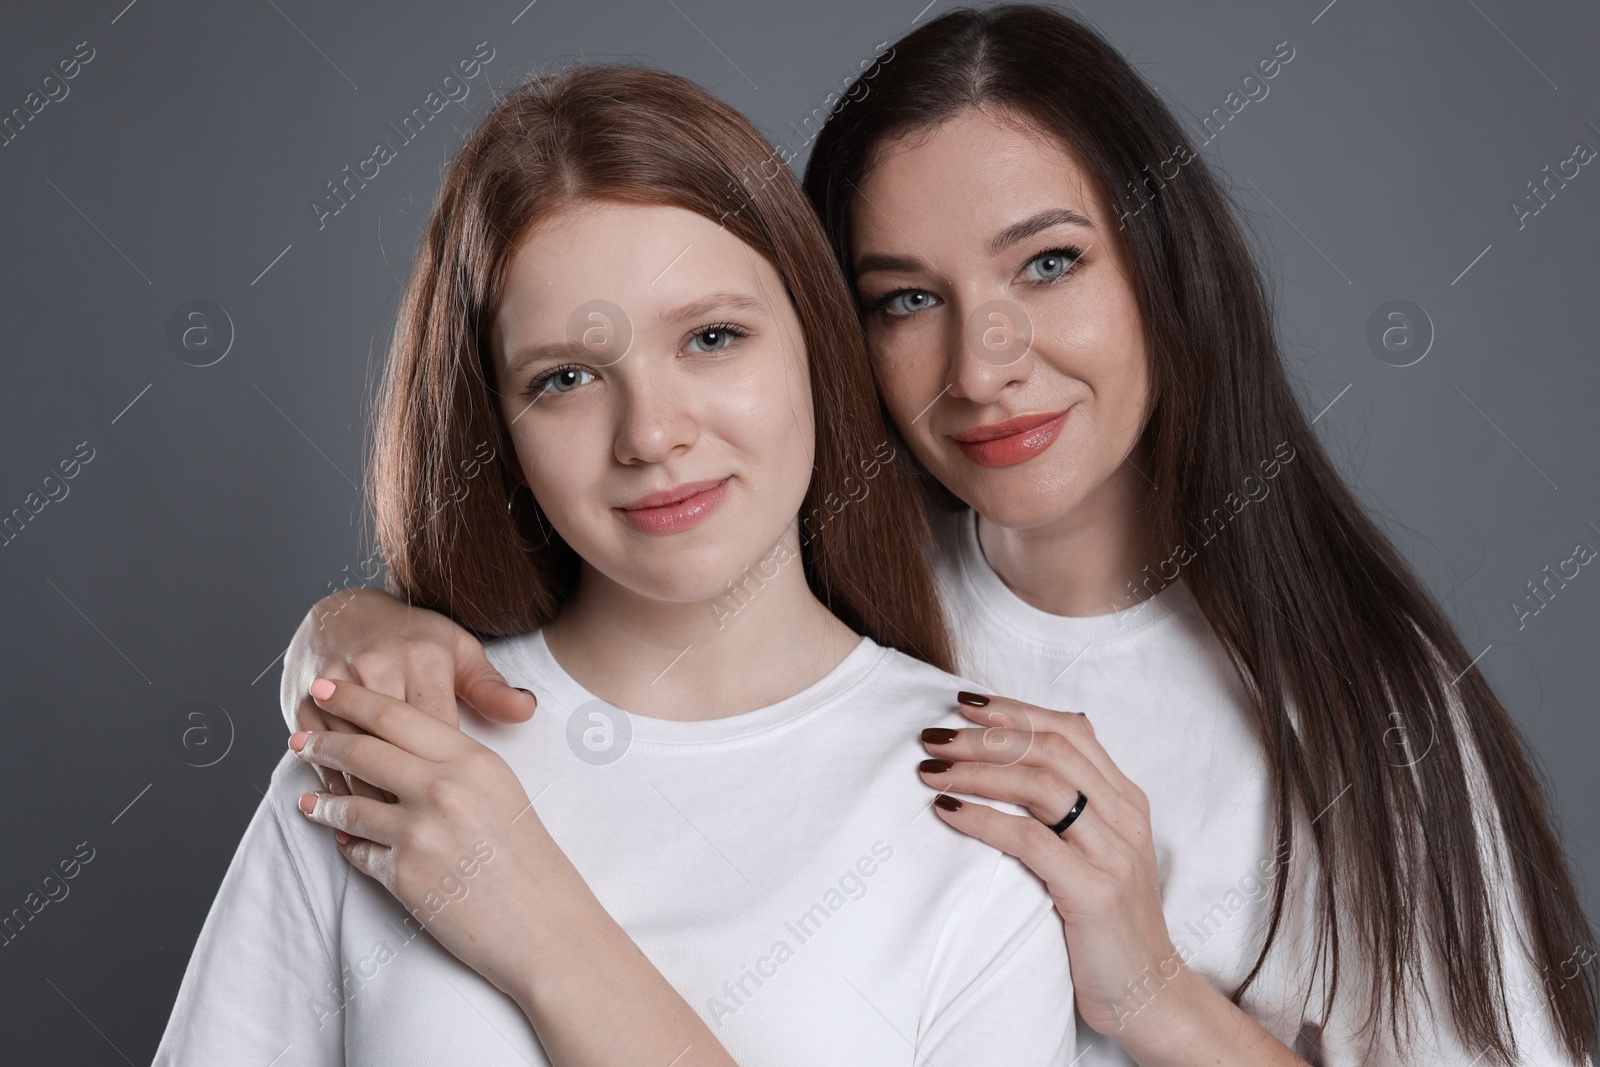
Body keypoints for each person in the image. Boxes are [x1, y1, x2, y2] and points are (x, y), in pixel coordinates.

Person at [277, 7, 1598, 1067]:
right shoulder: (810, 592)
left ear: (1165, 261)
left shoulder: (1362, 698)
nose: (986, 363)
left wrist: (1149, 989)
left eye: (1048, 263)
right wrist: (351, 632)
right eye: (907, 298)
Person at [153, 62, 1081, 1067]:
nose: (651, 433)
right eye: (566, 378)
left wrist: (534, 918)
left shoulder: (980, 803)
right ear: (495, 425)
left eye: (713, 337)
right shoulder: (384, 758)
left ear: (813, 340)